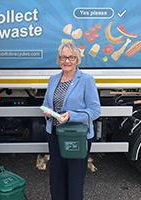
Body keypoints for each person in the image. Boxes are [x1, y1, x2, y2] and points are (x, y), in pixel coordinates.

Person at [42, 40, 101, 200]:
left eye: (71, 57)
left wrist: (71, 115)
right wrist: (46, 111)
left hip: (76, 136)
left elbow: (95, 111)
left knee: (75, 179)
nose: (66, 61)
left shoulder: (86, 80)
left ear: (77, 59)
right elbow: (47, 103)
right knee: (56, 177)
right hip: (55, 134)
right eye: (63, 57)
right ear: (58, 59)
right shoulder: (53, 79)